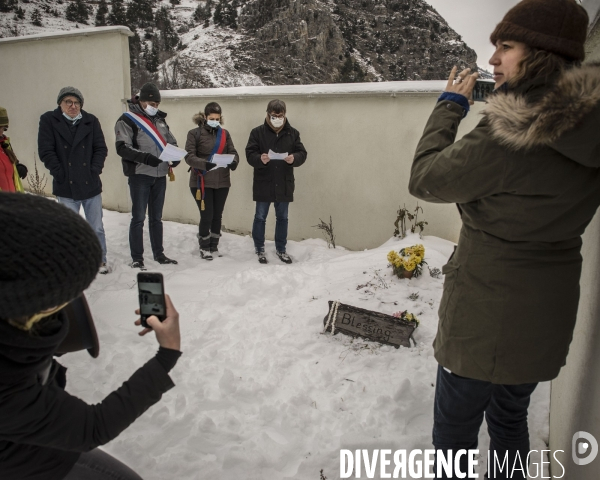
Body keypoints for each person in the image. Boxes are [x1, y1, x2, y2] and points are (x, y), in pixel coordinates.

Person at [408, 1, 595, 478]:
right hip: (545, 314)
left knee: (454, 430)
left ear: (542, 56)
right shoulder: (591, 124)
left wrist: (450, 107)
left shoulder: (509, 130)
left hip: (484, 313)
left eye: (506, 47)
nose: (492, 59)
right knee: (511, 418)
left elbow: (426, 178)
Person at [0, 192, 182, 480]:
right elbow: (93, 427)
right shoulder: (6, 387)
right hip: (24, 461)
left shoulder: (12, 315)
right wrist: (167, 354)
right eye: (70, 292)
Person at [38, 88, 109, 274]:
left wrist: (94, 170)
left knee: (96, 227)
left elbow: (100, 148)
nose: (73, 106)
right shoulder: (48, 120)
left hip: (90, 183)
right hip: (65, 185)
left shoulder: (90, 121)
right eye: (68, 102)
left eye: (76, 102)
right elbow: (46, 150)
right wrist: (60, 173)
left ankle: (99, 259)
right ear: (60, 103)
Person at [115, 83, 180, 269]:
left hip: (160, 175)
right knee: (138, 218)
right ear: (141, 101)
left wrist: (175, 158)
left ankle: (159, 254)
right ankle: (137, 258)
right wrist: (145, 158)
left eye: (157, 104)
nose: (155, 107)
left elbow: (171, 142)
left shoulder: (160, 120)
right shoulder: (127, 120)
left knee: (156, 218)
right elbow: (122, 147)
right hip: (140, 175)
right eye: (151, 103)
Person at [245, 99, 307, 264]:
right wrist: (260, 158)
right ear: (267, 114)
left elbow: (302, 153)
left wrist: (295, 158)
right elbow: (250, 154)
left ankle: (281, 248)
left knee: (283, 218)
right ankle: (259, 248)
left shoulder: (292, 133)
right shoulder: (257, 132)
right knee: (260, 217)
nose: (277, 118)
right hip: (263, 181)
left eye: (280, 116)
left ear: (285, 115)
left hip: (284, 182)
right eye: (274, 116)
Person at [184, 102, 239, 260]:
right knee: (206, 215)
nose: (215, 120)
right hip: (201, 181)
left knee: (217, 215)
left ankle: (214, 245)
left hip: (222, 181)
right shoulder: (194, 133)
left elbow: (233, 152)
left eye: (217, 118)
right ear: (205, 117)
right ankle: (204, 246)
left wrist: (235, 161)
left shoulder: (225, 134)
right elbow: (189, 156)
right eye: (211, 118)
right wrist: (204, 164)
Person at [0, 107, 27, 193]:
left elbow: (10, 165)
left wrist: (17, 167)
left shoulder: (5, 144)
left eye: (4, 128)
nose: (1, 131)